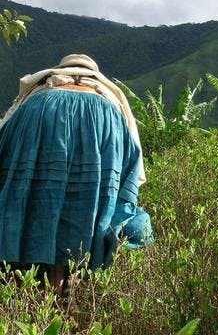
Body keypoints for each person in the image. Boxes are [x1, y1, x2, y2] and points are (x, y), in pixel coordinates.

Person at [0, 54, 153, 295]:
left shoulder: (35, 97)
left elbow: (4, 141)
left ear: (60, 70)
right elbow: (132, 162)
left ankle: (26, 290)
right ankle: (69, 288)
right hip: (104, 127)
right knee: (89, 209)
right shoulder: (110, 102)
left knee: (33, 201)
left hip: (38, 116)